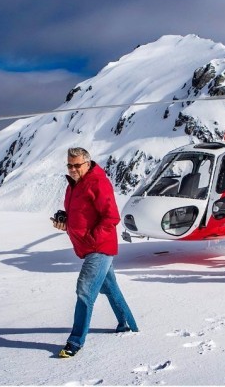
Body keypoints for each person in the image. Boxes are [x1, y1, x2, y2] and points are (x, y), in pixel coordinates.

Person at [52, 147, 138, 358]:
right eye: (69, 165)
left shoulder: (97, 183)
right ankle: (128, 326)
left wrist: (92, 238)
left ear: (87, 163)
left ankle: (75, 341)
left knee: (85, 290)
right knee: (111, 289)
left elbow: (111, 217)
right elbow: (82, 213)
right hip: (90, 247)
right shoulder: (73, 185)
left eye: (77, 165)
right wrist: (66, 222)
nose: (72, 169)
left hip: (98, 247)